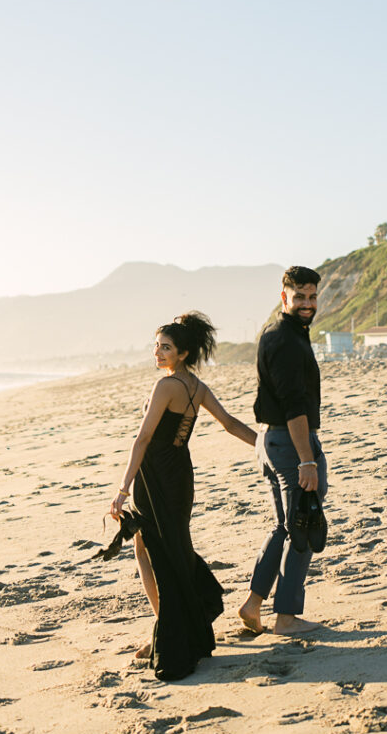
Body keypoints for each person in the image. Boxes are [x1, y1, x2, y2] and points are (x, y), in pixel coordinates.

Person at [109, 311, 257, 681]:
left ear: (183, 353)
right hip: (180, 474)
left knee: (151, 551)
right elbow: (230, 424)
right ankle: (165, 629)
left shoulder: (166, 386)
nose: (157, 353)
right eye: (156, 346)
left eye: (166, 348)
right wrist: (264, 445)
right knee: (171, 548)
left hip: (156, 474)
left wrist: (123, 489)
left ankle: (166, 632)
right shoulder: (197, 388)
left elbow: (142, 439)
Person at [239, 266, 328, 637]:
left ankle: (253, 605)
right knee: (304, 526)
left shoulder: (284, 332)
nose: (307, 304)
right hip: (290, 443)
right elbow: (294, 405)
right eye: (300, 297)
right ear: (284, 297)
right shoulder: (287, 341)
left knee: (286, 526)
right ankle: (287, 618)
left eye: (312, 297)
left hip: (273, 440)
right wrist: (307, 458)